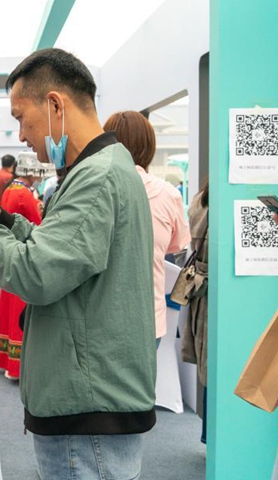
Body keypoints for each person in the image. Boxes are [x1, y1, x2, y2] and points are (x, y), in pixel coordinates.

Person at [0, 48, 156, 479]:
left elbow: (36, 274)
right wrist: (4, 221)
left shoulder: (97, 175)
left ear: (55, 105)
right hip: (88, 392)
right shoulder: (99, 168)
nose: (22, 135)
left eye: (21, 117)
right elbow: (59, 248)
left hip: (87, 407)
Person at [105, 111, 190, 347]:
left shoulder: (94, 187)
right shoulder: (169, 193)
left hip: (100, 316)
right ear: (149, 147)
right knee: (142, 383)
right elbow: (176, 244)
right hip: (149, 317)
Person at [0, 152, 45, 380]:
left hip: (10, 251)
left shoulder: (11, 189)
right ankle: (16, 366)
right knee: (18, 310)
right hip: (23, 254)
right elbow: (38, 225)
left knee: (8, 308)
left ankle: (5, 360)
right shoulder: (23, 193)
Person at [182, 178, 209, 443]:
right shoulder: (214, 205)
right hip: (213, 293)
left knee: (210, 364)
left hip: (202, 294)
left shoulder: (201, 200)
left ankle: (209, 436)